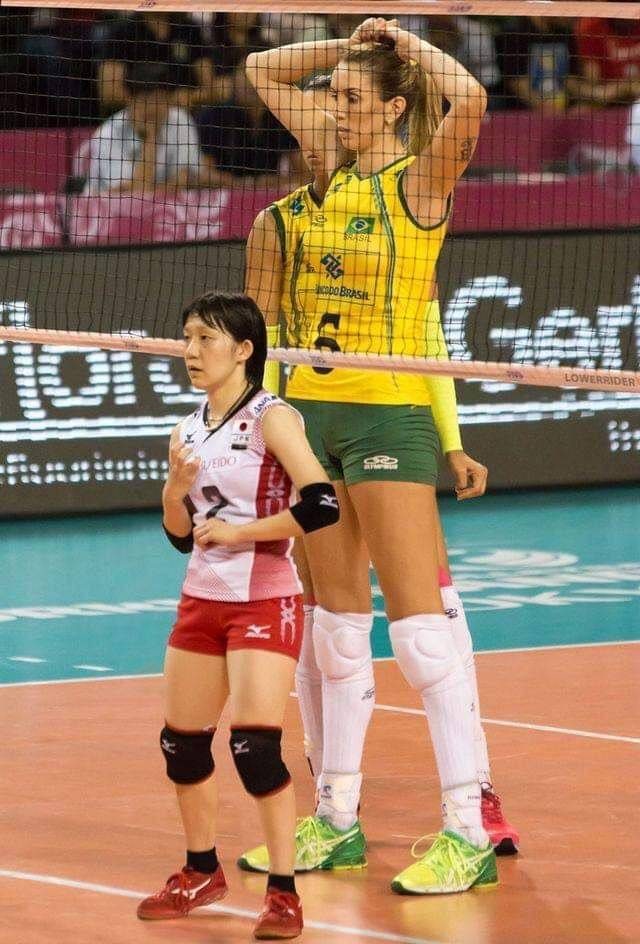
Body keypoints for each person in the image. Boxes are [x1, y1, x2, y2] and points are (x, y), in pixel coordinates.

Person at [238, 17, 505, 895]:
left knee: (421, 633)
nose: (334, 110)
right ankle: (337, 818)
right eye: (333, 100)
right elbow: (262, 69)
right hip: (313, 419)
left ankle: (466, 829)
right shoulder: (325, 171)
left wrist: (403, 44)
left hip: (389, 418)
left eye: (353, 99)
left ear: (393, 109)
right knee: (335, 633)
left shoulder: (419, 179)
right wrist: (347, 50)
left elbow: (469, 99)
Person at [137, 291, 339, 940]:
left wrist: (244, 533)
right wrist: (173, 494)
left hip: (264, 598)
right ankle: (201, 871)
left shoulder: (272, 418)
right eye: (187, 337)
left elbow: (322, 504)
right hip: (201, 600)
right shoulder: (186, 429)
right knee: (181, 744)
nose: (191, 351)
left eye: (206, 338)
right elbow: (180, 536)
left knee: (254, 748)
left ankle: (283, 893)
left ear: (244, 349)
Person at [82, 61, 232, 194]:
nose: (153, 108)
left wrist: (171, 185)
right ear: (130, 99)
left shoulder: (180, 121)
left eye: (159, 100)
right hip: (104, 212)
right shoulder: (108, 134)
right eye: (145, 100)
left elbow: (186, 179)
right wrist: (150, 138)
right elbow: (134, 195)